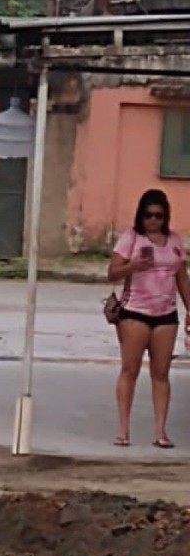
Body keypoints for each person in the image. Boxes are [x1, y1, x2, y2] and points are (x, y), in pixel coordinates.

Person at [107, 189, 190, 447]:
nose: (153, 220)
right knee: (130, 369)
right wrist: (133, 266)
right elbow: (112, 272)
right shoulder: (131, 238)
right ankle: (123, 430)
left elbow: (182, 277)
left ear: (166, 217)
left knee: (161, 373)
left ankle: (160, 432)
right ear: (140, 216)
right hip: (135, 312)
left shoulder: (174, 240)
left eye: (158, 216)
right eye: (148, 215)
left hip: (166, 314)